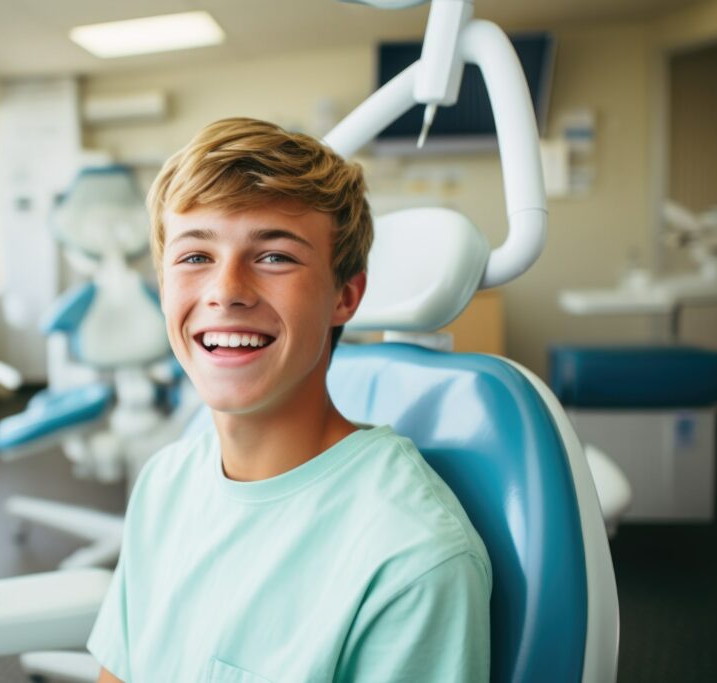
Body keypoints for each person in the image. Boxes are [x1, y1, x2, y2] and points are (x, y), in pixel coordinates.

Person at [88, 118, 491, 682]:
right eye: (195, 257)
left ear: (344, 296)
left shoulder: (410, 556)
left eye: (274, 256)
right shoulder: (164, 483)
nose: (226, 290)